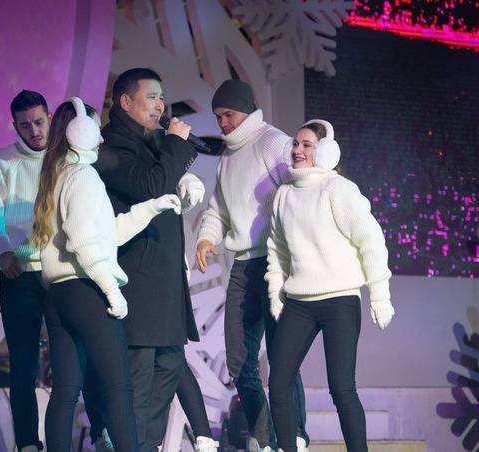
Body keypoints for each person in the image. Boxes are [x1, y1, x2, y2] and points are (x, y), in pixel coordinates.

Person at [32, 97, 182, 452]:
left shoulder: (57, 176)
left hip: (59, 296)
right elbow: (85, 242)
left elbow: (105, 234)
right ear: (80, 133)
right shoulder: (83, 176)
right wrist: (111, 291)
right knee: (119, 387)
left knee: (66, 391)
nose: (101, 138)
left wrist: (149, 209)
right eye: (95, 130)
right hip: (87, 292)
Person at [93, 67, 209, 452]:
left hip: (165, 281)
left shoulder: (154, 140)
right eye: (151, 97)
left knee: (171, 367)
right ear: (125, 102)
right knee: (139, 379)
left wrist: (183, 171)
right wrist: (175, 145)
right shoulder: (111, 146)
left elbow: (165, 177)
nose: (160, 106)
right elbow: (149, 186)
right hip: (138, 281)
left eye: (162, 97)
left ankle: (144, 444)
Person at [266, 120, 394, 452]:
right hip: (299, 303)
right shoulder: (283, 195)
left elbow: (371, 240)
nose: (297, 150)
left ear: (325, 152)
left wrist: (379, 295)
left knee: (341, 388)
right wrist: (276, 293)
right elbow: (277, 250)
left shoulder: (338, 189)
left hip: (339, 301)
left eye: (307, 145)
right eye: (295, 144)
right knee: (278, 384)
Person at [194, 79, 308, 452]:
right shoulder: (228, 156)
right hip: (243, 267)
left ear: (246, 109)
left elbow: (300, 188)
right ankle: (265, 435)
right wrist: (206, 238)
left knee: (282, 358)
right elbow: (217, 209)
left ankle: (295, 435)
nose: (222, 123)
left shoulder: (272, 142)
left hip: (275, 263)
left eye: (228, 114)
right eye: (218, 116)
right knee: (239, 360)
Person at [0, 90, 52, 452]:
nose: (34, 131)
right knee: (23, 366)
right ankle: (27, 444)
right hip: (19, 275)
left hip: (60, 274)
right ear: (15, 126)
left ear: (50, 118)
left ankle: (67, 438)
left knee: (71, 361)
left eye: (38, 122)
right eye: (25, 125)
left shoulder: (65, 158)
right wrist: (5, 251)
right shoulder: (1, 162)